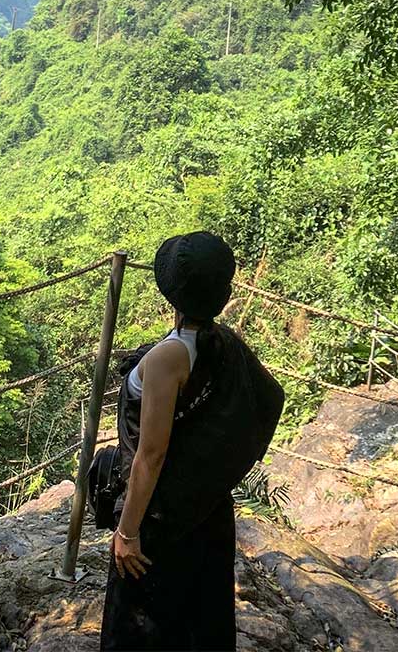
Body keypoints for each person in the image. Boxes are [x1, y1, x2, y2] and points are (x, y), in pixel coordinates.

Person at [100, 232, 280, 651]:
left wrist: (127, 532)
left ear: (172, 292)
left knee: (143, 629)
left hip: (162, 521)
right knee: (200, 624)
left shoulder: (169, 357)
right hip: (208, 509)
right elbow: (269, 397)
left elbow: (152, 451)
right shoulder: (223, 343)